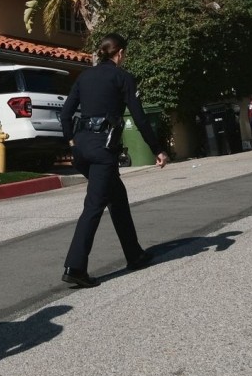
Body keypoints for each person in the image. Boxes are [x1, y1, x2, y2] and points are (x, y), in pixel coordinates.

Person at [59, 32, 170, 288]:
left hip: (82, 150)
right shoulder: (123, 78)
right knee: (94, 206)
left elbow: (66, 114)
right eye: (125, 54)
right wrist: (157, 149)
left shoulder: (84, 77)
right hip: (102, 152)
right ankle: (75, 267)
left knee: (116, 197)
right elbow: (140, 118)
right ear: (119, 53)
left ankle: (135, 254)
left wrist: (71, 142)